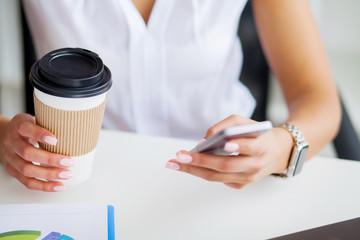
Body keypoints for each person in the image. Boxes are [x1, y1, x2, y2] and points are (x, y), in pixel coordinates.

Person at [0, 0, 341, 192]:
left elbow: (318, 98)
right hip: (83, 183)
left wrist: (281, 147)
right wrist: (3, 134)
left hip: (222, 187)